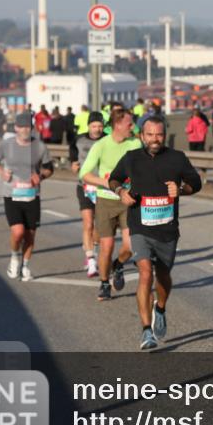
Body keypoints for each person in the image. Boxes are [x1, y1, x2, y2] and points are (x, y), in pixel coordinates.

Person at [108, 116, 202, 350]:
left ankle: (160, 308)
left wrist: (181, 189)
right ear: (142, 135)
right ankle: (146, 332)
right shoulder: (132, 158)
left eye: (159, 134)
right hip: (140, 226)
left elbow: (196, 183)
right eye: (150, 134)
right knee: (145, 273)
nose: (154, 139)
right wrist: (121, 191)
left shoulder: (177, 158)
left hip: (167, 230)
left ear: (164, 135)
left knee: (163, 276)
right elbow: (114, 179)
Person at [79, 105, 142, 301]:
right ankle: (104, 282)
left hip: (127, 200)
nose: (133, 126)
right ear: (117, 124)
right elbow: (85, 174)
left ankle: (118, 265)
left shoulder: (135, 144)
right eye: (129, 123)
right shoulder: (101, 145)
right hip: (106, 200)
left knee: (130, 247)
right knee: (106, 246)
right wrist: (105, 182)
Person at [0, 112, 54, 281]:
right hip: (11, 195)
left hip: (32, 196)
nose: (25, 129)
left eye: (28, 126)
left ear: (31, 128)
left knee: (30, 235)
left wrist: (41, 176)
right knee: (18, 231)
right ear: (16, 128)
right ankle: (14, 257)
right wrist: (1, 172)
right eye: (21, 127)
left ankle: (25, 266)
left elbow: (50, 168)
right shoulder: (6, 145)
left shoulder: (40, 147)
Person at [70, 111, 106, 277]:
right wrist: (73, 164)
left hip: (102, 187)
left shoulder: (108, 140)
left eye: (99, 126)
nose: (97, 129)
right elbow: (73, 155)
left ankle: (94, 249)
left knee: (99, 226)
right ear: (89, 126)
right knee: (88, 223)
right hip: (84, 186)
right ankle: (91, 260)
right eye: (94, 126)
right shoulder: (79, 139)